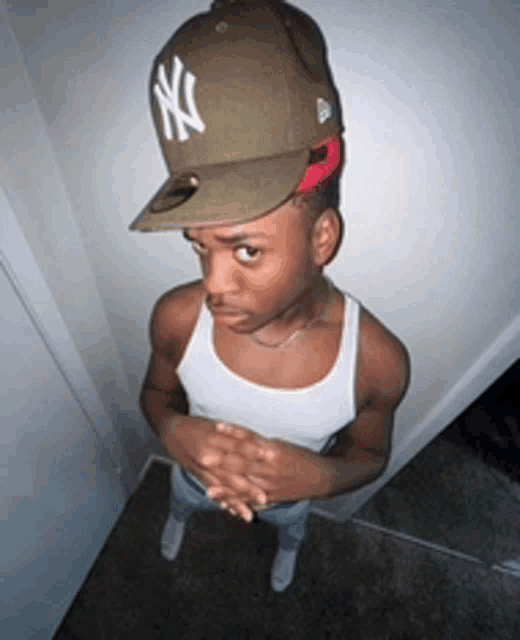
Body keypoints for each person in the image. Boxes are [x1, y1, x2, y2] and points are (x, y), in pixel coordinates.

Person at [131, 0, 410, 593]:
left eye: (246, 250)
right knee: (183, 498)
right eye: (199, 248)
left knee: (288, 524)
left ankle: (288, 543)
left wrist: (314, 478)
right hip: (191, 473)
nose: (213, 286)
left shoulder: (376, 362)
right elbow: (157, 392)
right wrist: (174, 433)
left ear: (321, 237)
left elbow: (371, 454)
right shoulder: (177, 317)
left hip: (292, 498)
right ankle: (179, 516)